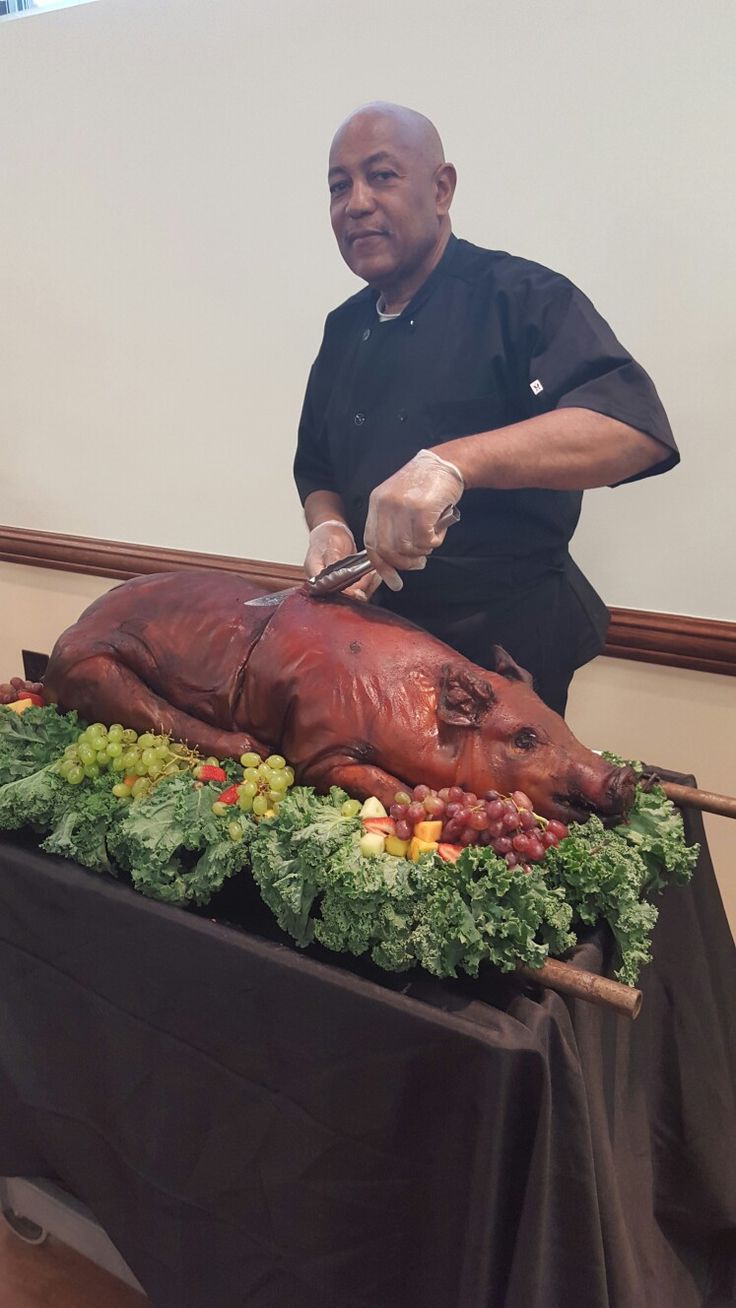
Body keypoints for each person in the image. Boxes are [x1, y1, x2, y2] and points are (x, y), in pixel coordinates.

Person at [293, 102, 679, 715]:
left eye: (381, 176)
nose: (356, 202)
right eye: (339, 187)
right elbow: (316, 467)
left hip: (503, 647)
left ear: (441, 188)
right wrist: (328, 525)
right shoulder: (343, 329)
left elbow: (632, 428)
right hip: (373, 640)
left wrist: (451, 463)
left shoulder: (523, 297)